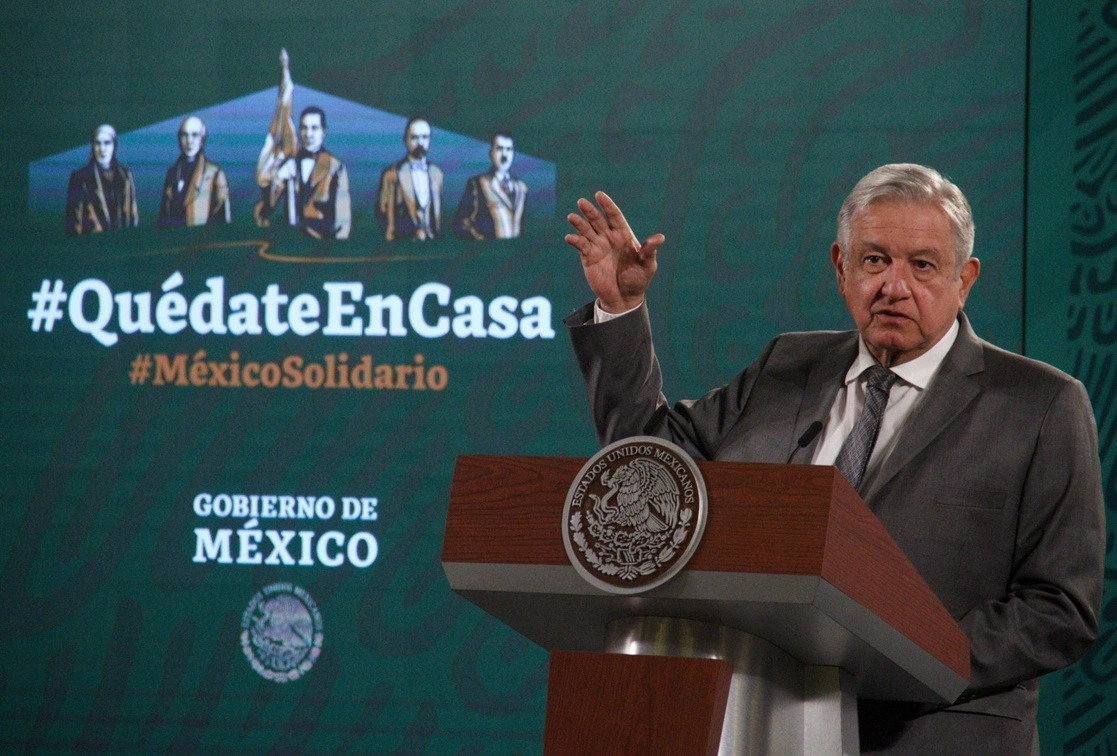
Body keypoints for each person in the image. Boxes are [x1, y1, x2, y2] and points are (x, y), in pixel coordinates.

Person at [563, 164, 1104, 754]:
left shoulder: (1040, 405)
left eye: (922, 265)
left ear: (964, 278)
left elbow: (1060, 607)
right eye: (874, 261)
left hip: (930, 733)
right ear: (841, 269)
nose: (894, 286)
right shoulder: (786, 366)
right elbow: (648, 470)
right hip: (755, 723)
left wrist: (901, 654)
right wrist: (620, 308)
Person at [254, 49, 350, 240]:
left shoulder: (335, 166)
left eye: (314, 128)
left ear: (324, 132)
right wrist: (279, 179)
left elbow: (343, 221)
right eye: (304, 128)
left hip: (324, 244)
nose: (308, 134)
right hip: (292, 241)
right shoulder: (290, 160)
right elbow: (266, 208)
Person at [376, 117, 443, 240]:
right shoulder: (391, 174)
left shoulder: (437, 173)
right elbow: (382, 211)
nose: (420, 142)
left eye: (425, 137)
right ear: (405, 140)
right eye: (414, 137)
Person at [65, 124, 138, 235]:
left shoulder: (126, 175)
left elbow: (133, 216)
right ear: (93, 146)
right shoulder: (79, 178)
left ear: (114, 145)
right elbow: (75, 222)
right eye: (98, 143)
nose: (102, 149)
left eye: (107, 143)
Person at [452, 132, 528, 240]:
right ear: (491, 152)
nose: (504, 155)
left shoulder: (521, 188)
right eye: (500, 149)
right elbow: (460, 223)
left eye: (509, 149)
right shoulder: (477, 184)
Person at [158, 115, 230, 227]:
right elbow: (163, 217)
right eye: (185, 135)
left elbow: (223, 219)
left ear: (202, 139)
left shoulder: (215, 174)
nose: (189, 141)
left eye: (194, 135)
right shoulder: (172, 173)